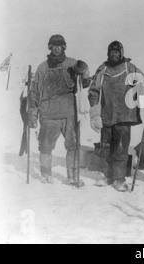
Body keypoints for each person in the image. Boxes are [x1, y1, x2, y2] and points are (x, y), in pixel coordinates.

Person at [28, 34, 90, 186]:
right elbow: (35, 91)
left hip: (69, 111)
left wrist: (84, 70)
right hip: (48, 113)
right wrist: (33, 112)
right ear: (50, 47)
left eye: (59, 46)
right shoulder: (42, 68)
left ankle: (72, 176)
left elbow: (85, 82)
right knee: (45, 145)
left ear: (64, 47)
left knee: (73, 145)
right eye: (53, 46)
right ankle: (46, 174)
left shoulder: (72, 64)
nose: (56, 48)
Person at [88, 41, 144, 192]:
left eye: (116, 52)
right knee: (106, 146)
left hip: (125, 115)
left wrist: (140, 87)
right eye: (111, 52)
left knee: (120, 148)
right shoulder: (103, 69)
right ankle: (107, 175)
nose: (114, 54)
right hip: (107, 115)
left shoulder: (129, 67)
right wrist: (95, 114)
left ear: (121, 53)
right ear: (108, 53)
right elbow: (93, 91)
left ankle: (119, 179)